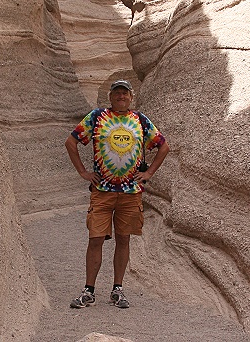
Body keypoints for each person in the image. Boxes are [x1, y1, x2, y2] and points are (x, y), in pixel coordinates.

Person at [65, 79, 170, 309]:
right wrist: (83, 172)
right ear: (110, 97)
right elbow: (71, 142)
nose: (121, 96)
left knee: (123, 239)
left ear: (131, 97)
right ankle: (89, 290)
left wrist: (149, 172)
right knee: (95, 239)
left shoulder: (140, 120)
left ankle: (117, 289)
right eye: (117, 93)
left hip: (130, 192)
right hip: (102, 190)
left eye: (125, 93)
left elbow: (163, 145)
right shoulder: (97, 117)